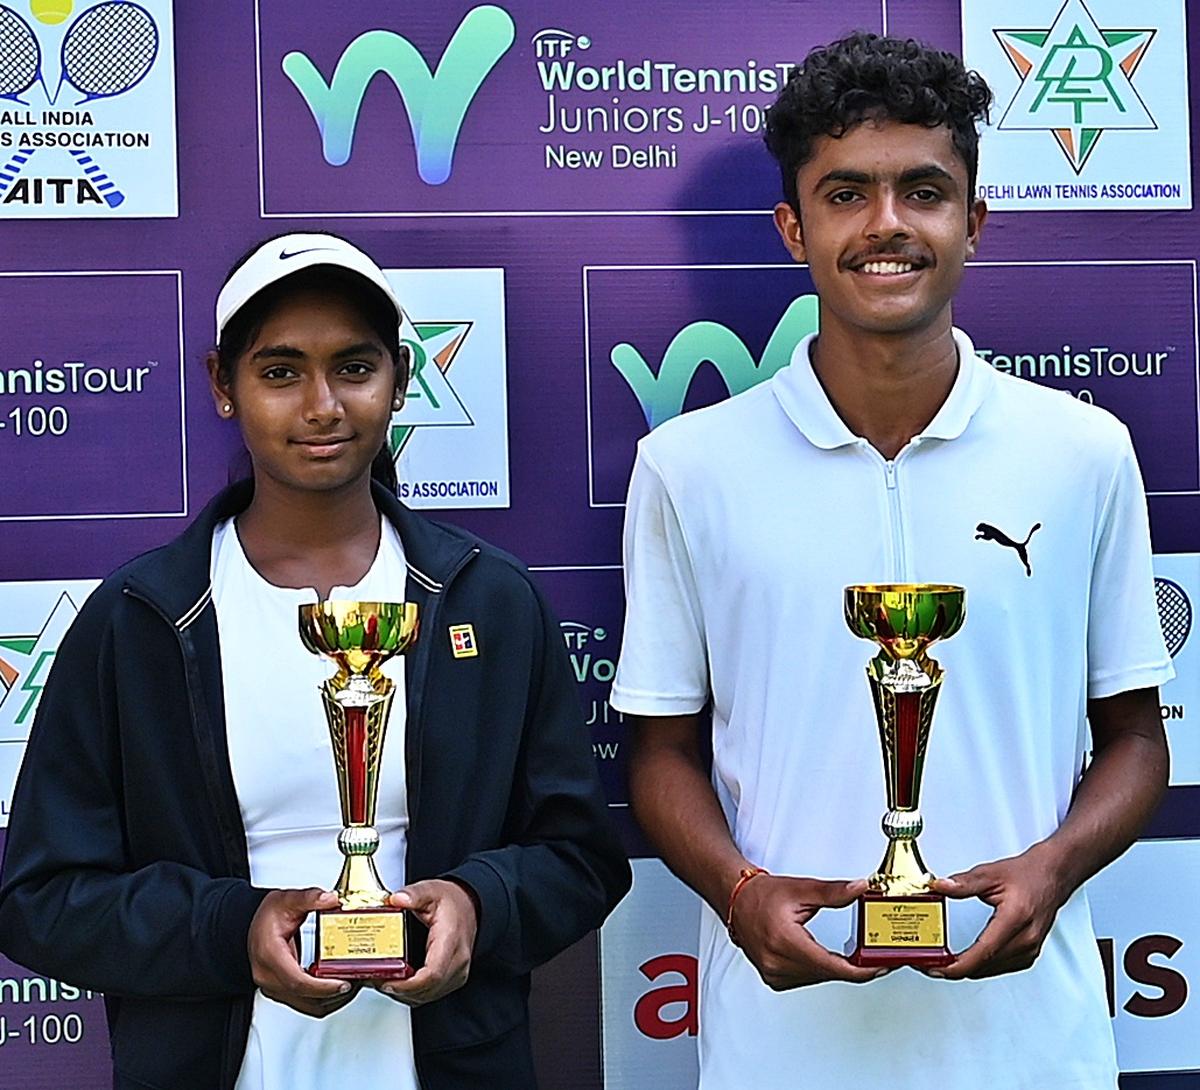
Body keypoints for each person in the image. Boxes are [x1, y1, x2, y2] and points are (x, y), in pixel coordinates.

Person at [611, 32, 1171, 1089]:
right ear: (793, 227)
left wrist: (1054, 867)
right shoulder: (689, 466)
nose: (887, 226)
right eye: (847, 193)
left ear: (974, 223)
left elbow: (1137, 738)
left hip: (1029, 1047)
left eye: (923, 190)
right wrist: (740, 893)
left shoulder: (1083, 451)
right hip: (784, 1051)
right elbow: (660, 754)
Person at [0, 232, 630, 1090]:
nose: (323, 405)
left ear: (401, 381)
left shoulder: (488, 601)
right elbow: (42, 899)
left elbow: (582, 857)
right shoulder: (141, 619)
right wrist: (236, 930)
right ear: (223, 385)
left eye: (354, 367)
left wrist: (478, 906)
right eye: (281, 371)